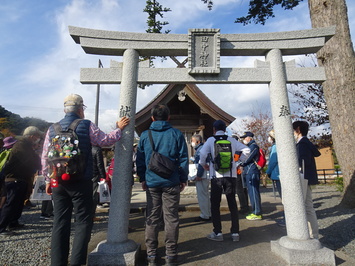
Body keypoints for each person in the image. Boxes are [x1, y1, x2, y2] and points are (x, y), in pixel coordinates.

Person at [41, 93, 130, 266]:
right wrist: (118, 128)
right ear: (81, 109)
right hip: (81, 181)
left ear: (64, 110)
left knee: (60, 222)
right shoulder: (86, 125)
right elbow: (105, 141)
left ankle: (57, 262)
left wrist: (47, 180)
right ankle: (76, 262)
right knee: (82, 222)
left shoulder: (52, 129)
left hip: (58, 182)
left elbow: (45, 156)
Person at [136, 104, 188, 266]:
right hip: (171, 181)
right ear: (168, 117)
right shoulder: (176, 134)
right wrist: (183, 178)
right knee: (171, 218)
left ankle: (151, 255)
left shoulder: (145, 135)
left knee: (152, 218)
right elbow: (183, 158)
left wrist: (142, 178)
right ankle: (171, 255)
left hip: (152, 182)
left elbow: (140, 160)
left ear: (152, 118)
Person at [199, 120, 250, 242]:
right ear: (225, 129)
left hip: (216, 176)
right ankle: (235, 233)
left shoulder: (211, 140)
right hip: (231, 176)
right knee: (232, 203)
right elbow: (247, 150)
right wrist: (237, 162)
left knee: (215, 205)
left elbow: (202, 153)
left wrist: (204, 164)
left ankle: (218, 233)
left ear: (214, 130)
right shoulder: (232, 140)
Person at [0, 127, 42, 237]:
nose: (38, 139)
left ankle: (13, 222)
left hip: (20, 178)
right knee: (11, 203)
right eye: (37, 136)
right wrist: (39, 162)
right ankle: (2, 226)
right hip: (14, 178)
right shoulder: (21, 146)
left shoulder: (25, 145)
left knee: (18, 203)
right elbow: (31, 161)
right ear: (32, 136)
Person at [293, 120, 321, 239]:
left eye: (293, 130)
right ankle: (313, 234)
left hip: (303, 178)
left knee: (307, 206)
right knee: (308, 205)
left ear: (298, 130)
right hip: (308, 178)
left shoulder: (302, 144)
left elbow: (303, 162)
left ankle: (312, 235)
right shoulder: (306, 142)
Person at [240, 131, 263, 221]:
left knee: (254, 192)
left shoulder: (253, 146)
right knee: (251, 192)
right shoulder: (249, 146)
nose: (244, 139)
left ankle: (257, 212)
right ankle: (255, 210)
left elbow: (247, 158)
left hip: (252, 171)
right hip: (249, 171)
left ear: (250, 137)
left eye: (245, 137)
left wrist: (241, 163)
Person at [191, 134, 211, 222]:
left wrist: (198, 175)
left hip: (202, 175)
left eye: (192, 140)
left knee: (202, 195)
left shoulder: (200, 150)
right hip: (206, 174)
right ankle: (208, 213)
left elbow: (200, 163)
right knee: (205, 195)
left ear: (198, 141)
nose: (191, 143)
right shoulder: (204, 148)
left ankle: (205, 215)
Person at [0, 137, 18, 214]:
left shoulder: (3, 152)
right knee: (5, 195)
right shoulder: (12, 153)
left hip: (2, 175)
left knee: (3, 194)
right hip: (8, 176)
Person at [265, 130, 281, 198]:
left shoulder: (275, 147)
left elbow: (273, 161)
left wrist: (268, 171)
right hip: (280, 172)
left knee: (282, 193)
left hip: (277, 173)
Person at [92, 145, 106, 220]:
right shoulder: (97, 149)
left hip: (85, 175)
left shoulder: (85, 146)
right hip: (94, 174)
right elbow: (100, 164)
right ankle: (92, 215)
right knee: (93, 195)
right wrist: (103, 176)